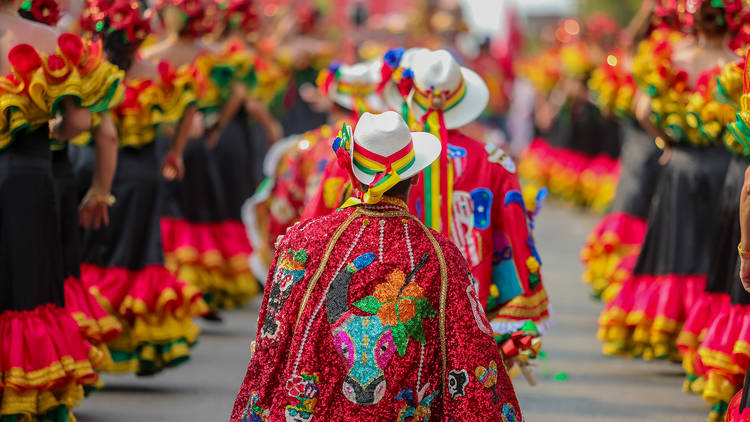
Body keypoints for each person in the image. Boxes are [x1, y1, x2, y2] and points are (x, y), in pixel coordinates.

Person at [231, 111, 521, 421]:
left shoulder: (301, 243)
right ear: (414, 176)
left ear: (352, 174)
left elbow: (269, 352)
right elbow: (471, 356)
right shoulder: (440, 255)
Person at [0, 0, 123, 418]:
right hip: (30, 173)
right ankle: (24, 396)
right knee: (27, 288)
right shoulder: (51, 40)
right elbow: (83, 123)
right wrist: (51, 128)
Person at [75, 0, 208, 376]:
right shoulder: (155, 72)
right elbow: (189, 106)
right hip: (143, 173)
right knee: (138, 254)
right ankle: (140, 346)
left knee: (92, 252)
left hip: (94, 169)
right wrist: (176, 154)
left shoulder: (92, 70)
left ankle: (91, 342)